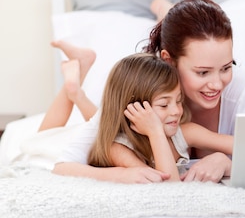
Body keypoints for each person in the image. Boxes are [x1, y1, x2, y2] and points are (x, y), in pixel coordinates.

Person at [53, 0, 245, 183]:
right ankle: (76, 89)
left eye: (227, 67)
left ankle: (164, 7)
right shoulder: (144, 83)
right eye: (202, 72)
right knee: (54, 133)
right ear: (168, 60)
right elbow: (65, 164)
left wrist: (226, 163)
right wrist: (118, 174)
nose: (217, 84)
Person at [85, 52, 232, 182]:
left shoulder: (183, 133)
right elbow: (167, 188)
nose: (176, 111)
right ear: (133, 108)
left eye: (179, 100)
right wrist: (155, 132)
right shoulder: (119, 149)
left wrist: (224, 161)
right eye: (163, 105)